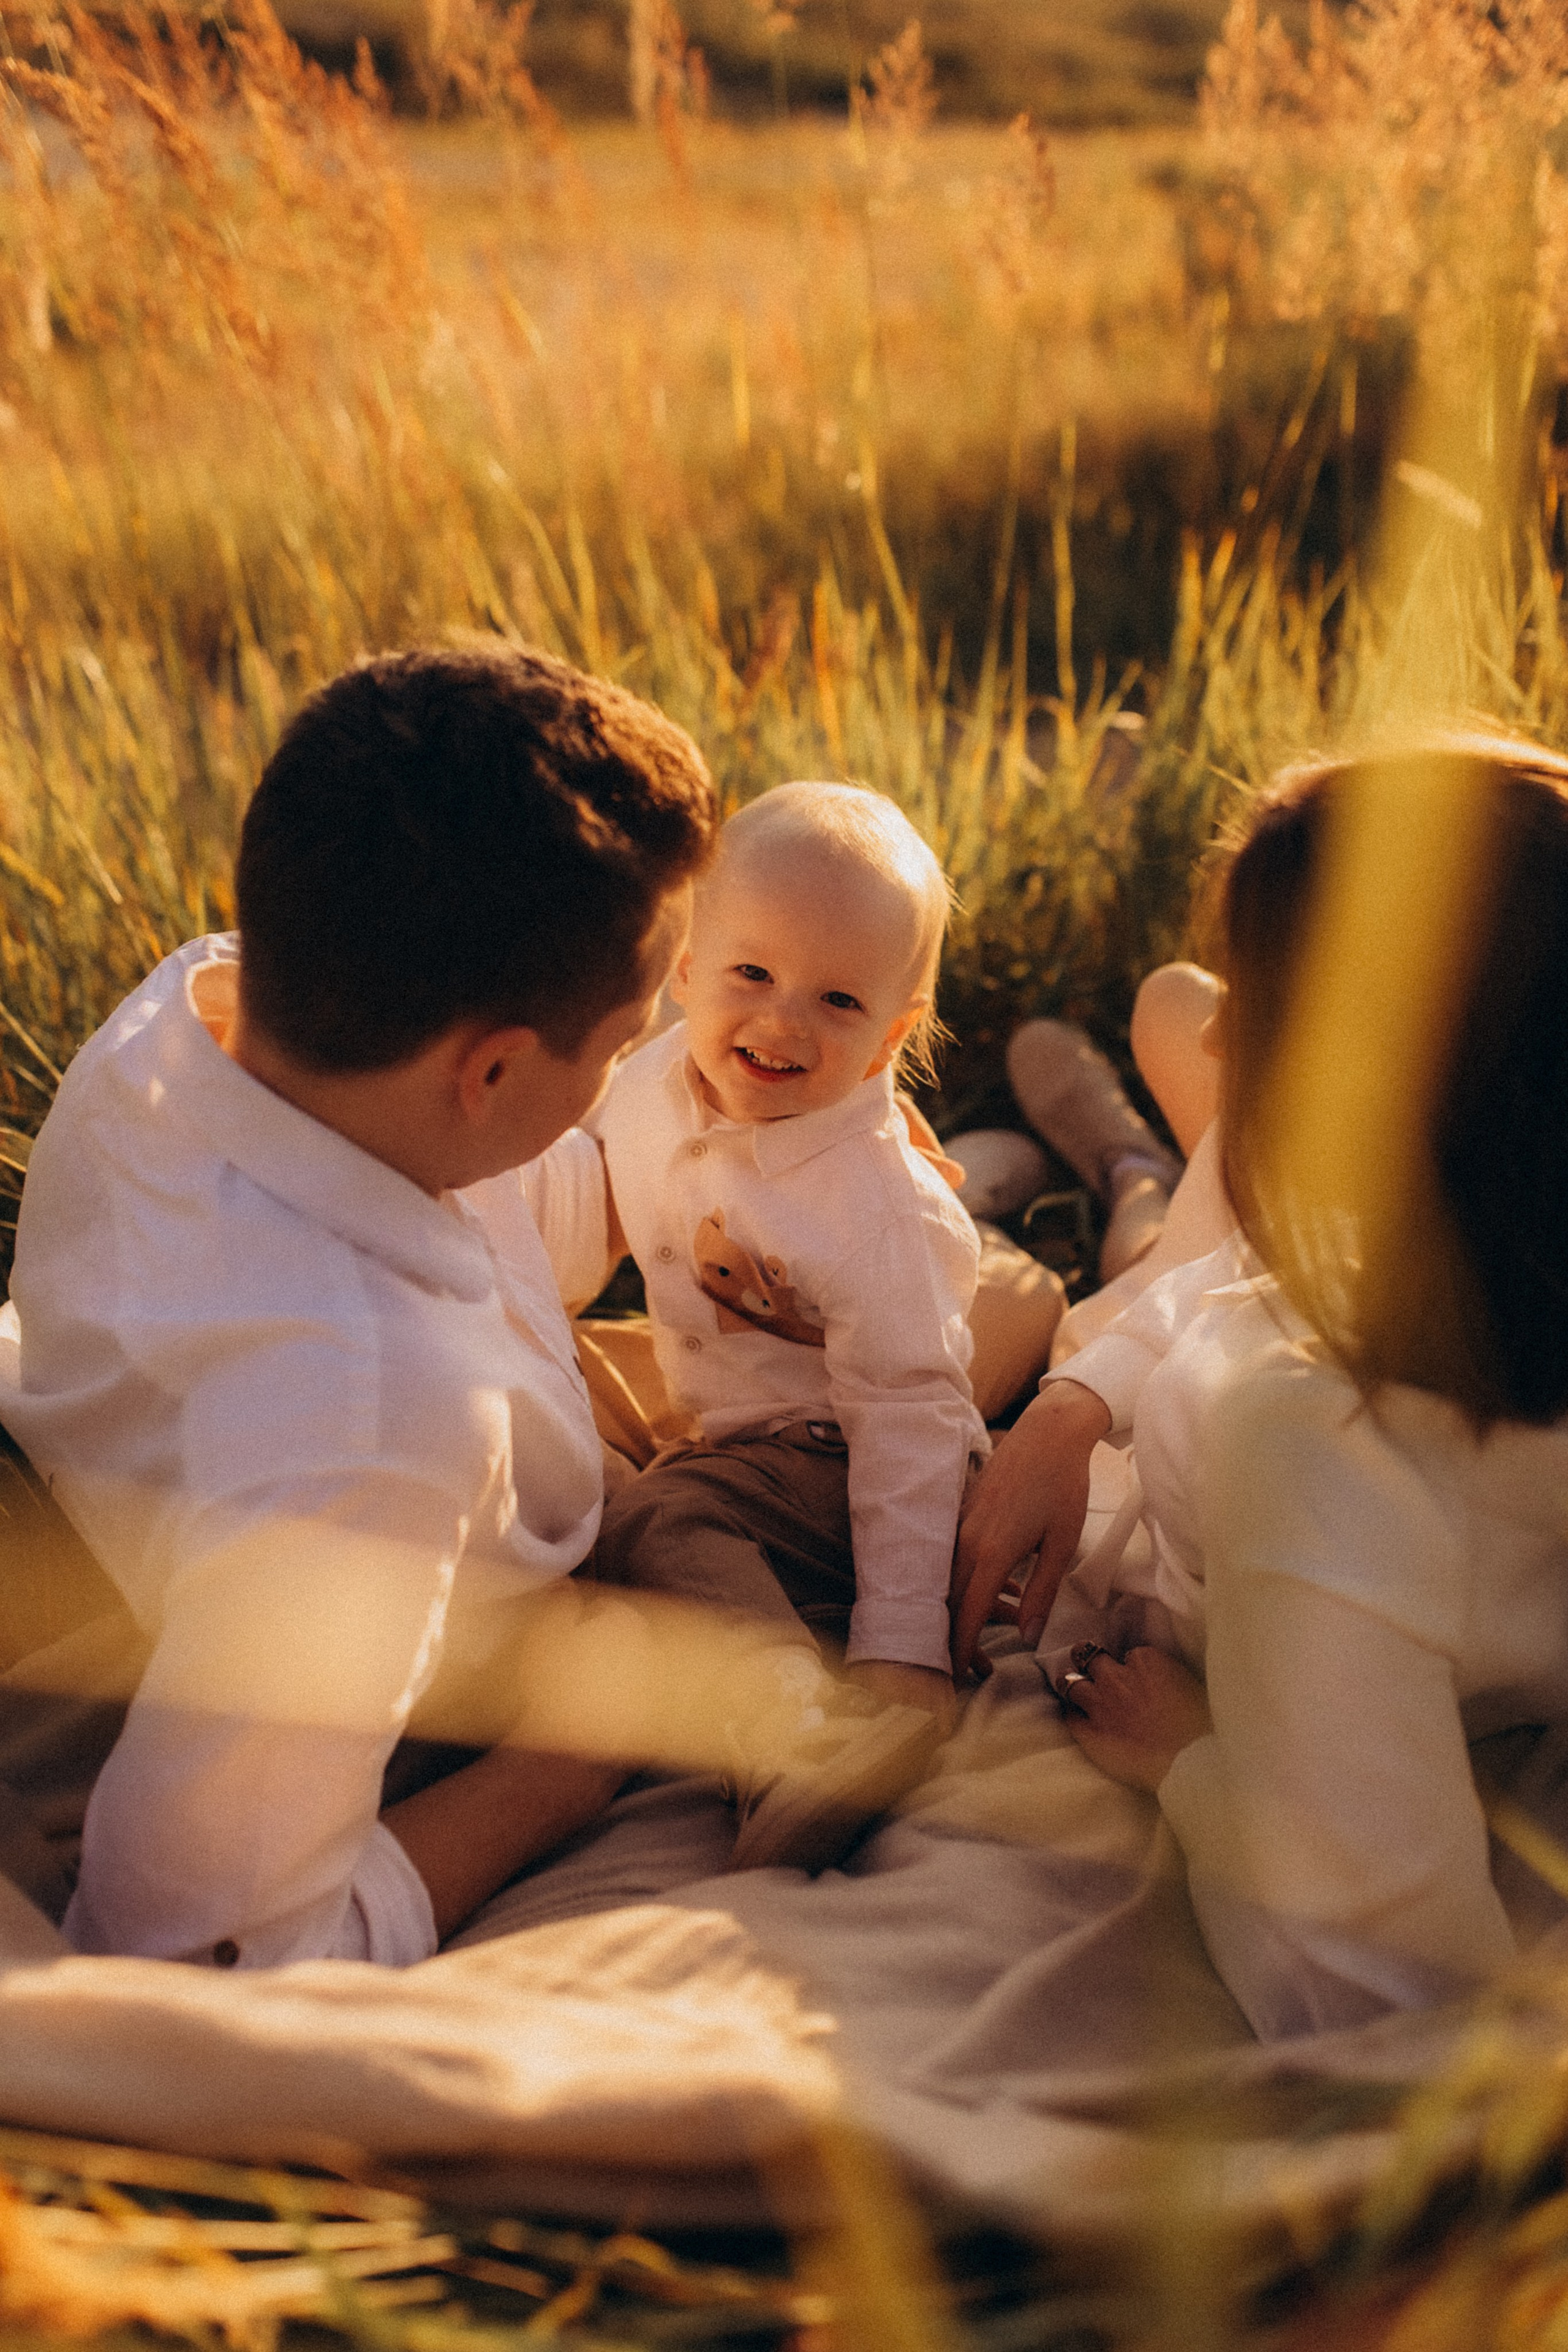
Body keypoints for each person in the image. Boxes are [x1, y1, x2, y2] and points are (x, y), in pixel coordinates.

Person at [0, 644, 715, 1969]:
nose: (640, 1067)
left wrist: (709, 1153)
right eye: (624, 1043)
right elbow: (206, 1955)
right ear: (491, 1068)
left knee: (990, 1291)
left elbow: (504, 1204)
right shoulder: (370, 1430)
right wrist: (559, 1769)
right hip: (326, 1633)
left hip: (168, 1484)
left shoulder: (213, 1011)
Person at [954, 738, 1568, 2037]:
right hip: (1217, 1324)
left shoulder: (1320, 1444)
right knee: (1177, 1017)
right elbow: (1264, 1284)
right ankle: (1128, 1160)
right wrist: (1071, 1408)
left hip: (1194, 1476)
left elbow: (1371, 1978)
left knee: (1161, 1114)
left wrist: (1185, 1762)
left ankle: (1118, 1165)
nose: (1243, 1024)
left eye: (1268, 1006)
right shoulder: (1490, 1227)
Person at [591, 782, 987, 1870]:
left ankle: (800, 1734)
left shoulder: (866, 1201)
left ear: (890, 1035)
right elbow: (575, 1200)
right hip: (743, 1430)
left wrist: (904, 1647)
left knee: (657, 1524)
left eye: (838, 1002)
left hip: (841, 1449)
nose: (780, 1022)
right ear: (683, 966)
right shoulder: (643, 1088)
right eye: (752, 974)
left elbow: (909, 1409)